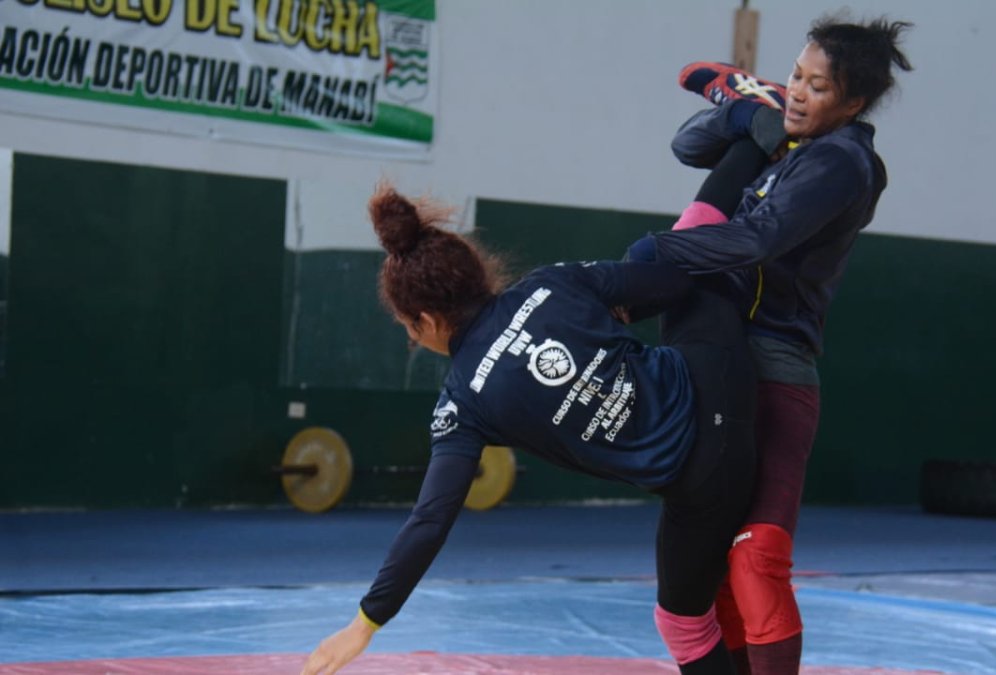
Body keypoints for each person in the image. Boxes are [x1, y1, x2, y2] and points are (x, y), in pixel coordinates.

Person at [300, 183, 759, 675]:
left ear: (427, 320)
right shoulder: (550, 284)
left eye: (408, 328)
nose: (412, 337)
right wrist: (604, 319)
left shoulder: (462, 402)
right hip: (730, 383)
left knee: (683, 626)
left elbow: (430, 520)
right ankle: (758, 158)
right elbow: (675, 285)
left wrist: (365, 623)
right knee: (659, 248)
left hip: (708, 479)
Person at [628, 14, 913, 675]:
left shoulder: (843, 161)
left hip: (775, 366)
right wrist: (745, 116)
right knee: (717, 563)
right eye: (796, 76)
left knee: (755, 556)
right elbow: (685, 146)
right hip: (719, 355)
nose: (802, 93)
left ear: (854, 103)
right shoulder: (794, 135)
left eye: (819, 86)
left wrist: (661, 252)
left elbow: (759, 239)